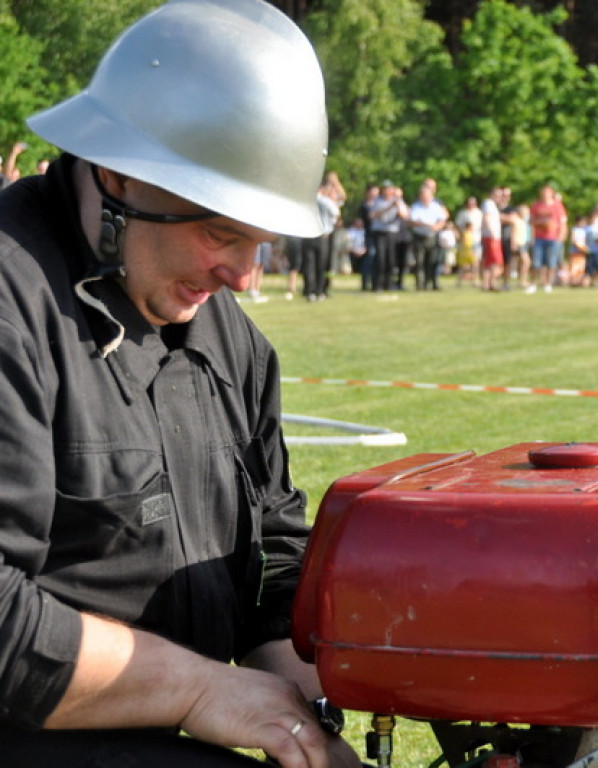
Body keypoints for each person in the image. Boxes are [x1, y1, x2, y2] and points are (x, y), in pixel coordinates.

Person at [0, 2, 363, 767]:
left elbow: (274, 559)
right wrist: (202, 692)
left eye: (261, 242)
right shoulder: (12, 301)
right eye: (222, 232)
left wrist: (322, 717)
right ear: (120, 175)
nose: (245, 276)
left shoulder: (231, 342)